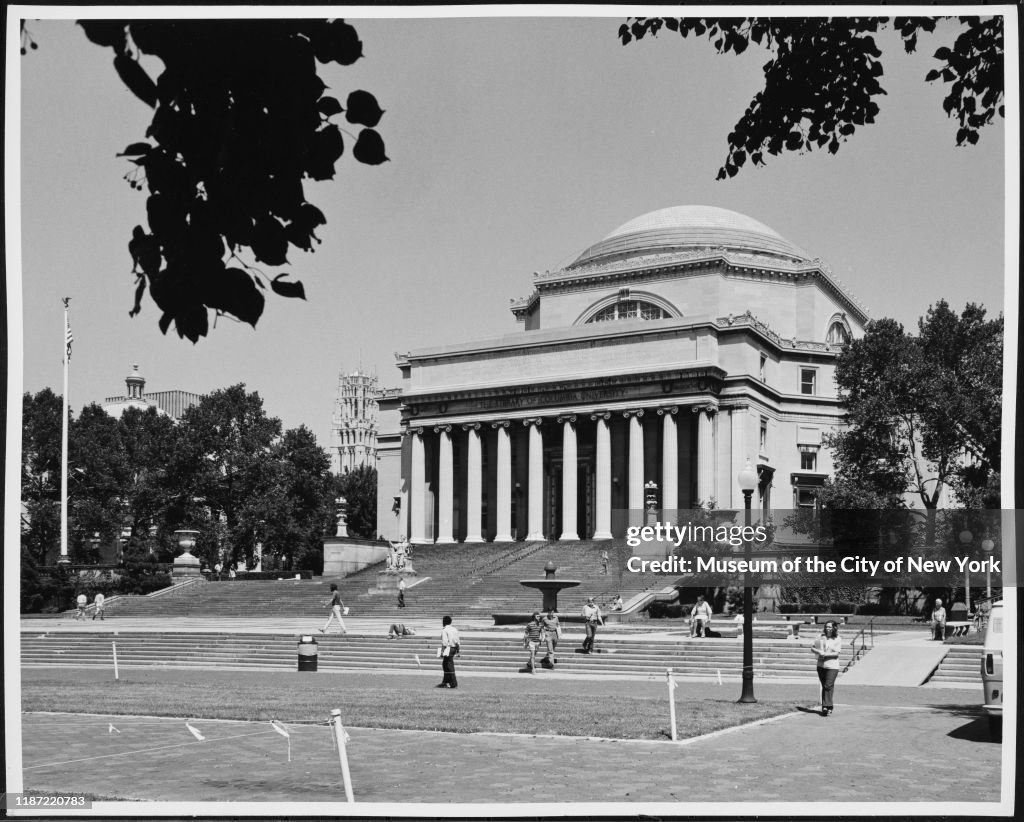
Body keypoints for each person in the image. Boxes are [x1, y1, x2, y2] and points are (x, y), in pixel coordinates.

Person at [812, 620, 842, 716]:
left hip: (832, 666)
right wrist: (818, 651)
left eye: (830, 627)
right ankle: (829, 706)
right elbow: (812, 648)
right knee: (827, 685)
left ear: (834, 628)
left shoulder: (837, 639)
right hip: (821, 665)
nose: (828, 628)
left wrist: (825, 654)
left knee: (828, 685)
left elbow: (836, 653)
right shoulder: (820, 637)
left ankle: (825, 706)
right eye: (826, 627)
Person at [438, 615, 459, 688]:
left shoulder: (444, 630)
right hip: (454, 648)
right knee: (446, 664)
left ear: (444, 622)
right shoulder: (454, 629)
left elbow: (445, 642)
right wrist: (458, 651)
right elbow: (457, 641)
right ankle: (445, 681)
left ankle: (453, 683)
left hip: (448, 648)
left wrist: (442, 651)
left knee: (448, 665)